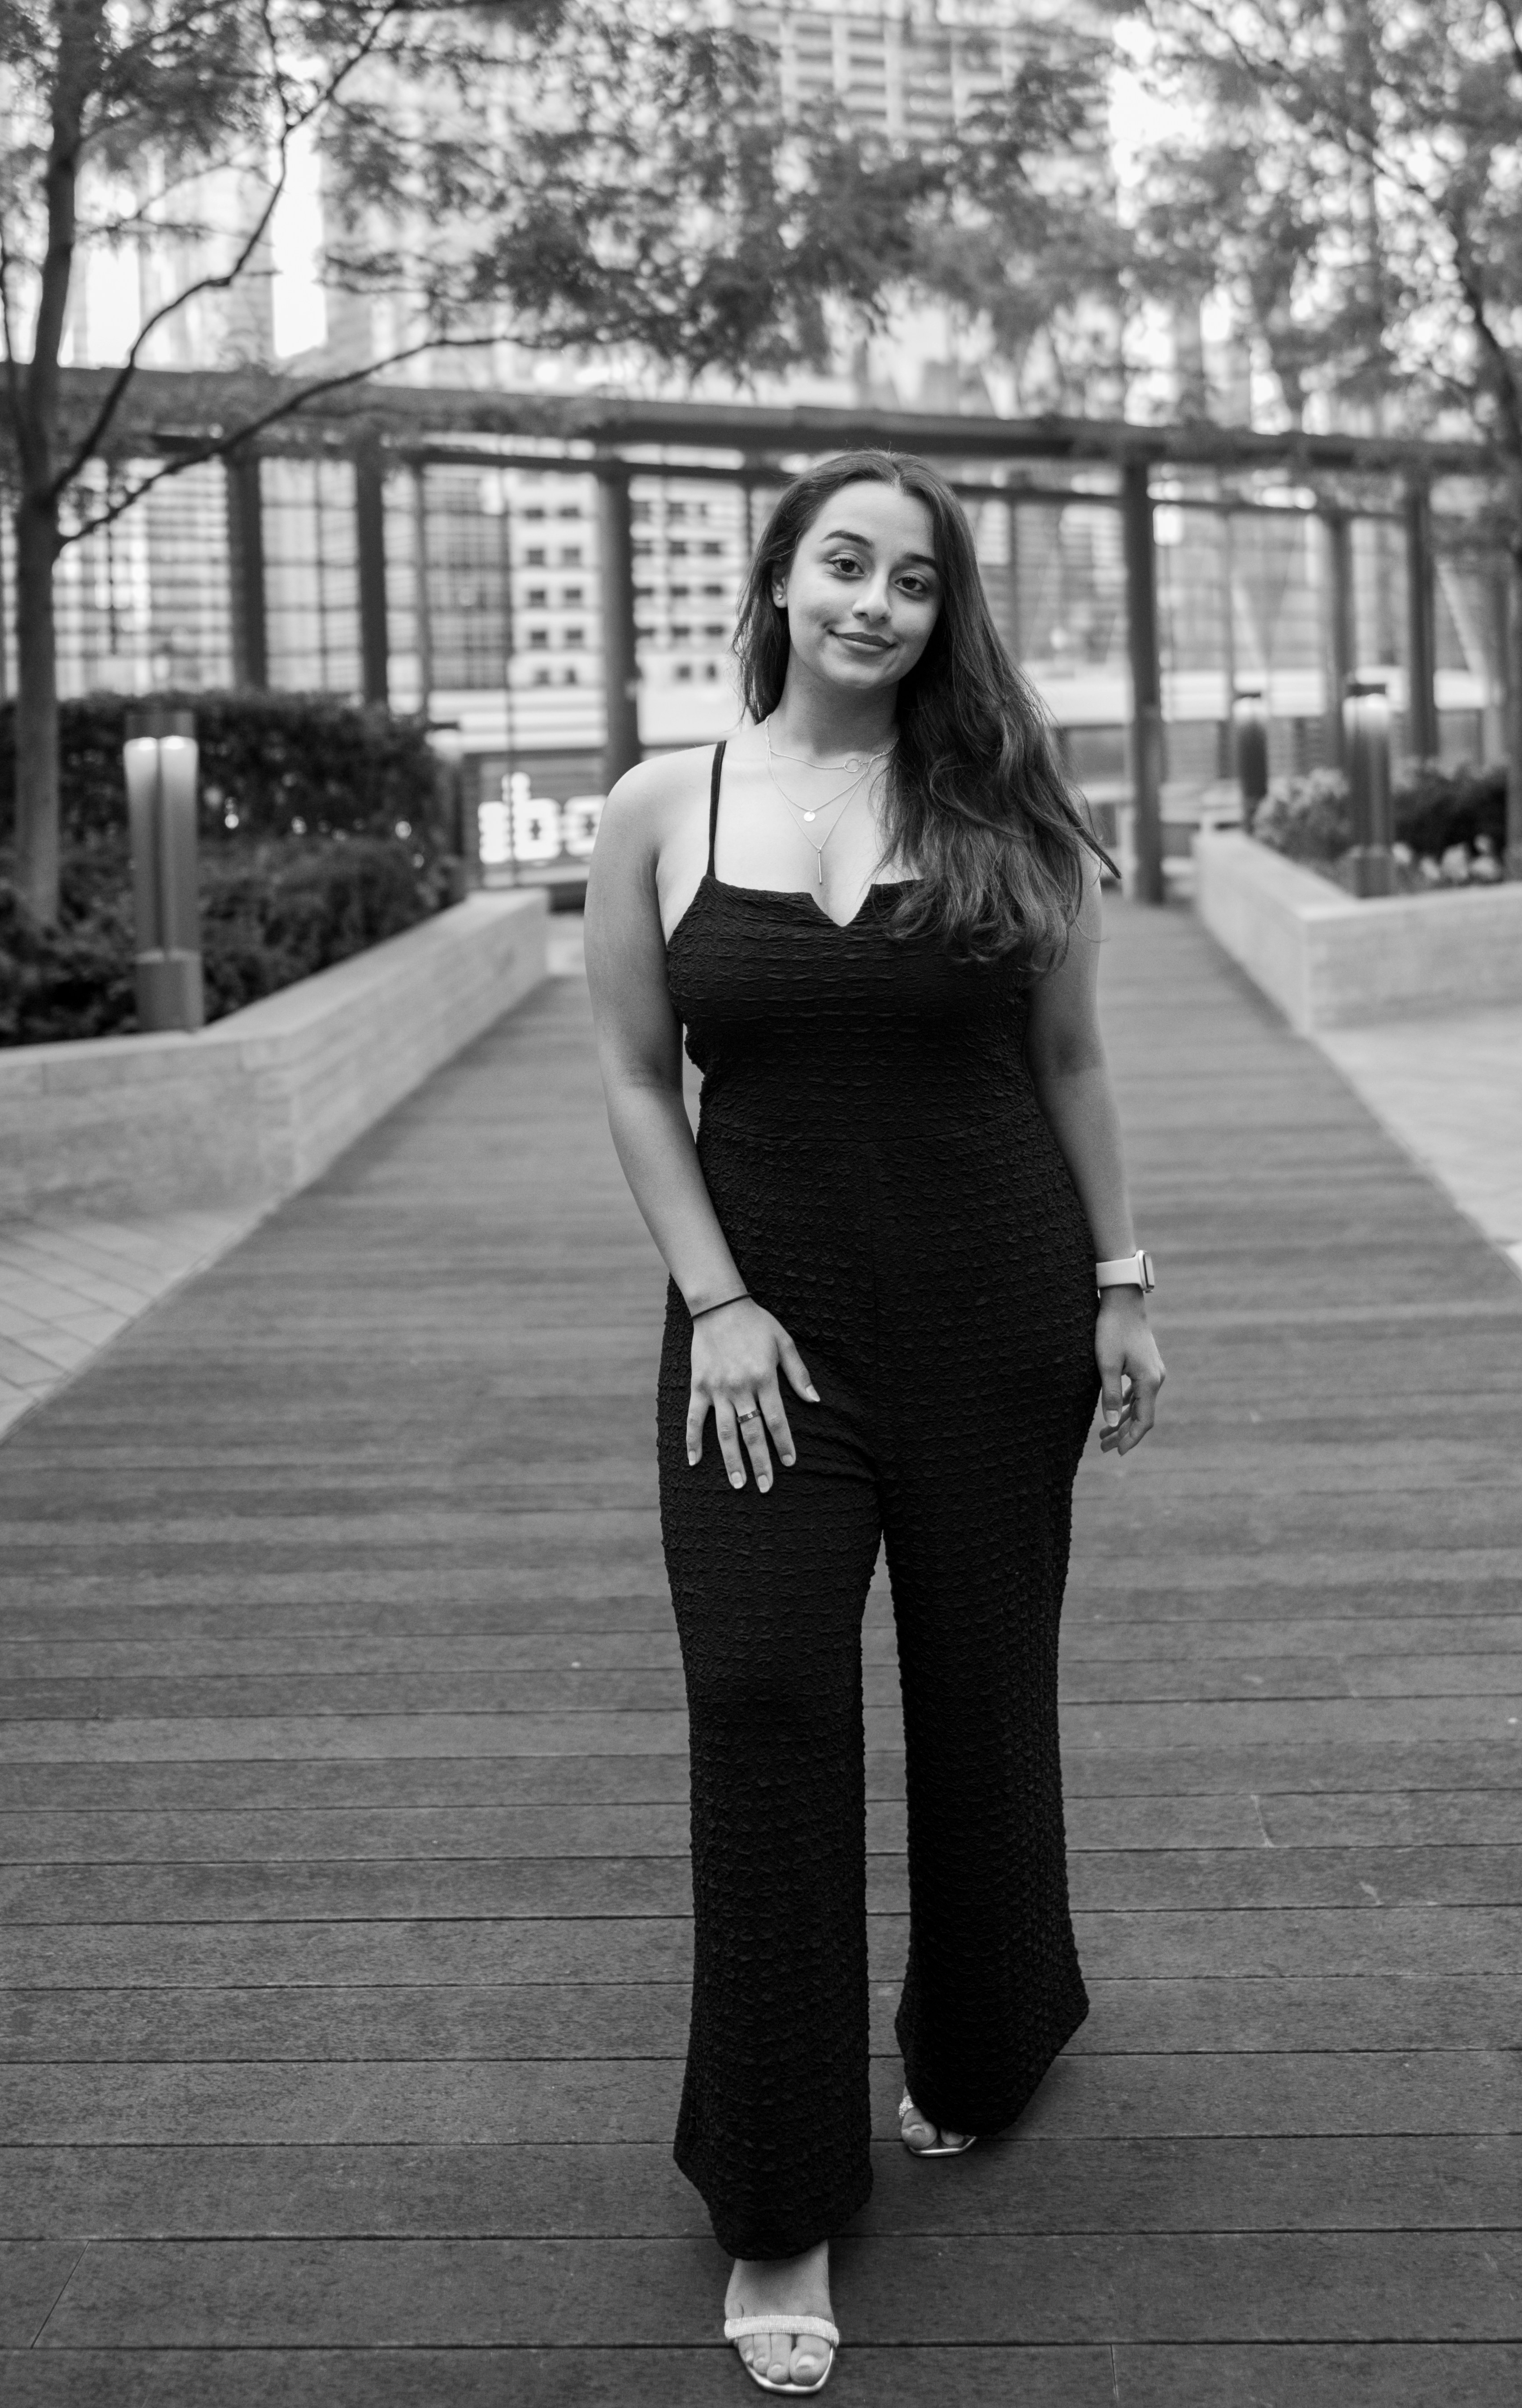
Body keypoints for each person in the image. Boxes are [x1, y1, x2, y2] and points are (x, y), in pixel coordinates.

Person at [585, 449, 1166, 2393]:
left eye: (915, 582)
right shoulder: (669, 805)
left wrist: (1122, 1287)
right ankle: (776, 2205)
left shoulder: (1004, 800)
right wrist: (719, 1302)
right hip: (769, 1345)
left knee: (987, 1685)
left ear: (945, 615)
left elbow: (1070, 1059)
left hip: (1000, 1315)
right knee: (761, 1704)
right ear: (778, 578)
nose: (876, 603)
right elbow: (632, 1076)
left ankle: (987, 2041)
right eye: (844, 562)